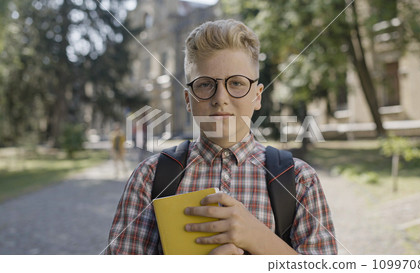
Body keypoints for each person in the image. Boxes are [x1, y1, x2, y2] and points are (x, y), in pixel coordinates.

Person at [105, 19, 337, 255]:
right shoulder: (150, 177)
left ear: (257, 96)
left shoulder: (299, 180)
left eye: (236, 83)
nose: (220, 98)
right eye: (205, 85)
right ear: (188, 99)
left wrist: (260, 239)